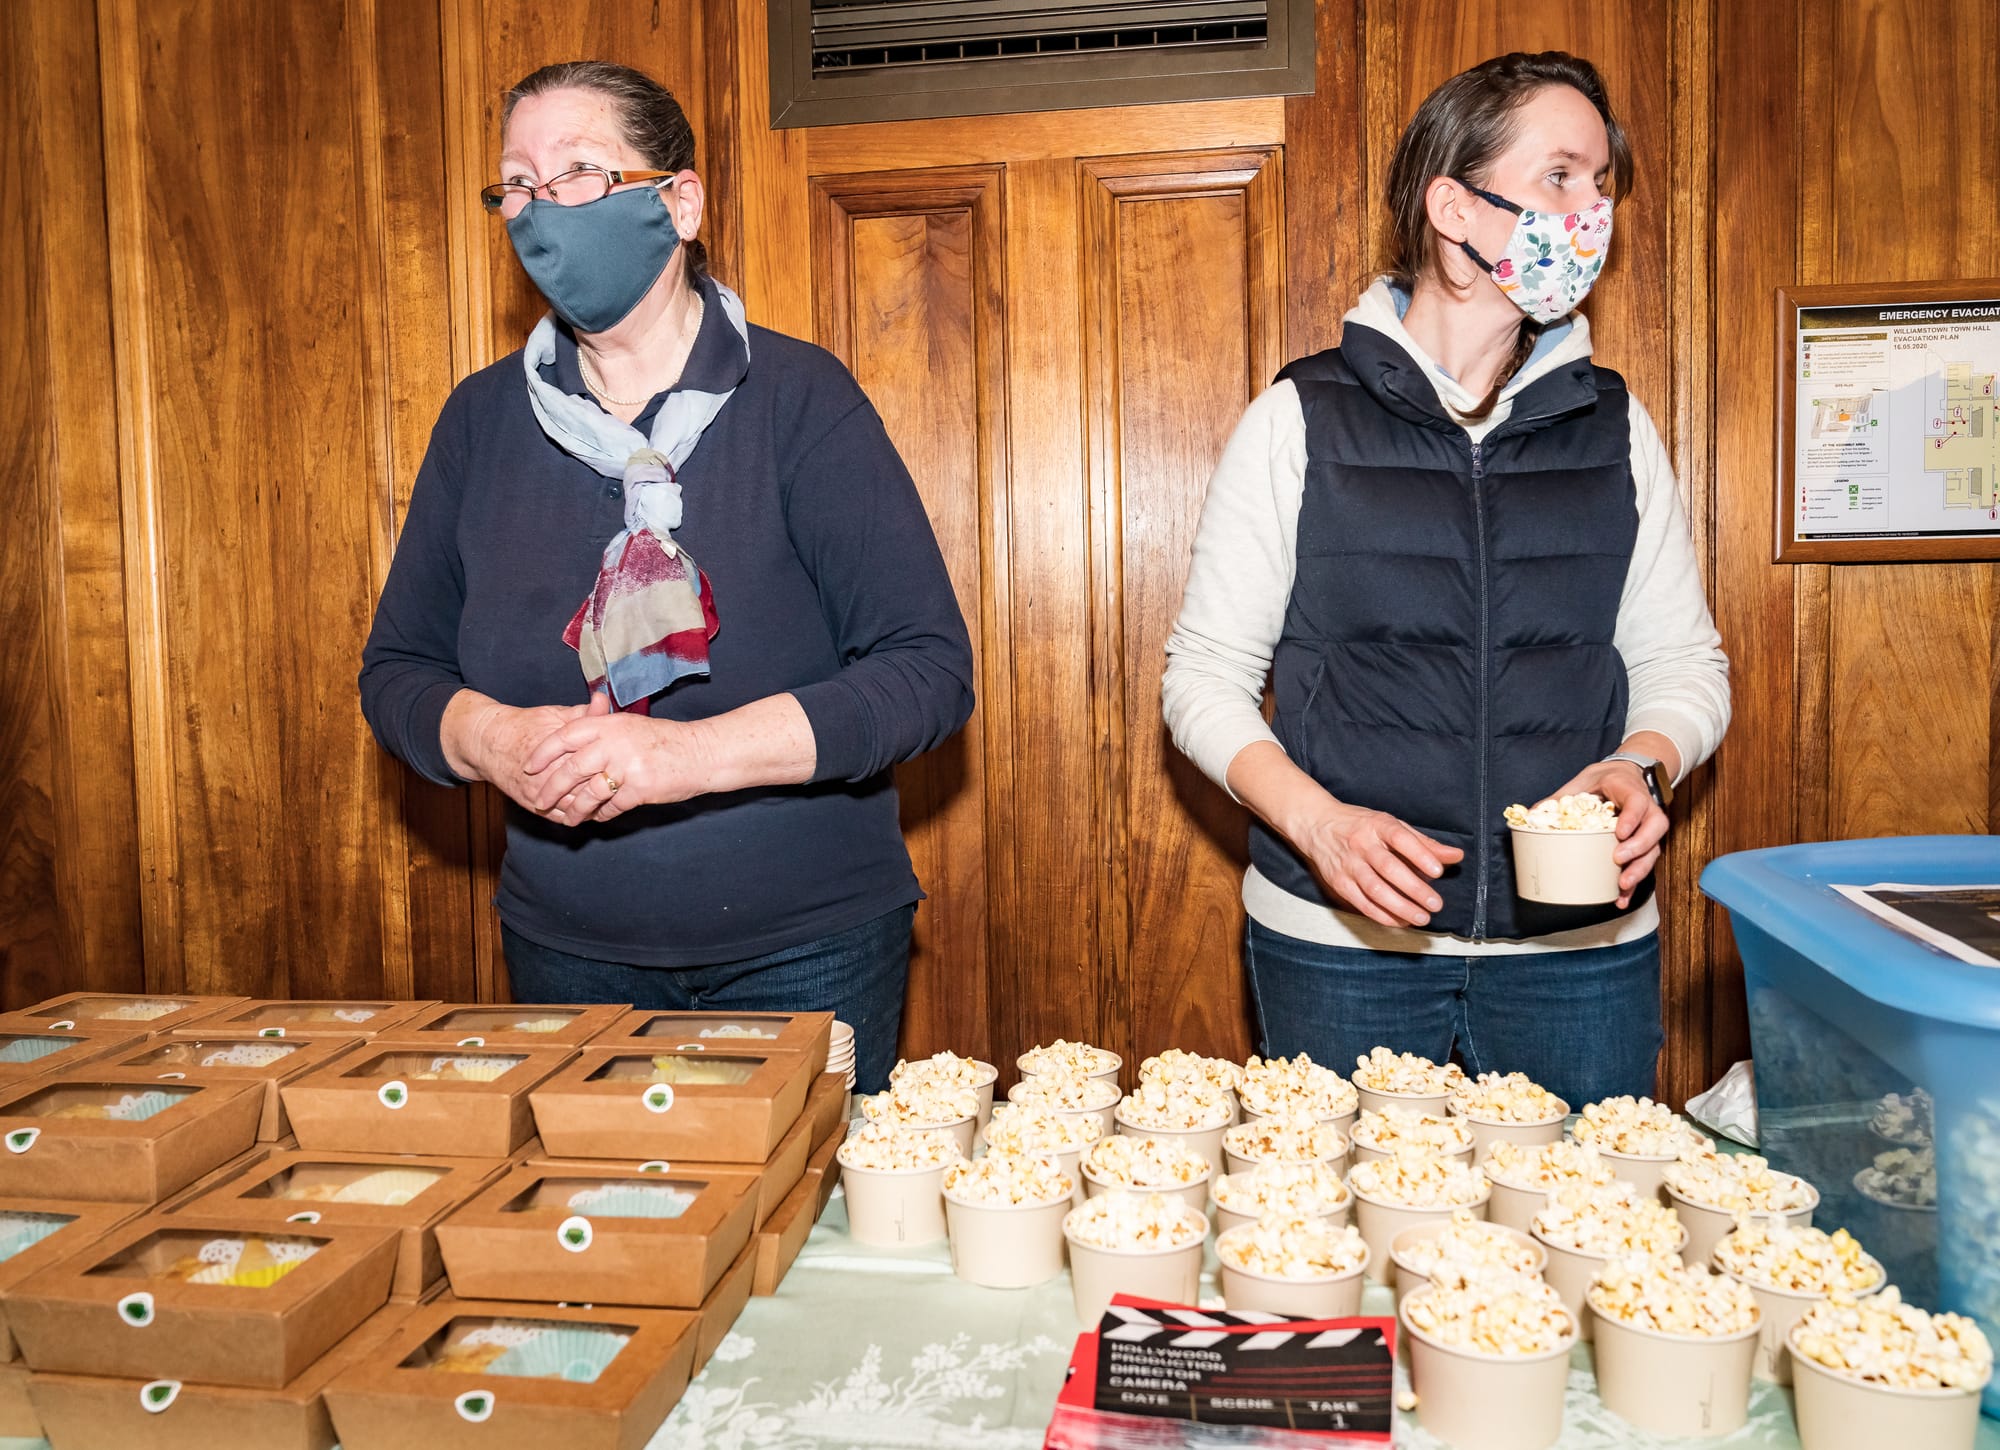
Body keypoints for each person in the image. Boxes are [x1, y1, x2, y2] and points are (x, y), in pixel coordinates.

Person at [359, 61, 973, 1093]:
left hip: (805, 948)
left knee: (799, 1251)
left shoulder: (799, 399)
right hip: (567, 954)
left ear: (677, 202)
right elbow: (399, 671)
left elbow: (925, 673)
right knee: (610, 1246)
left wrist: (684, 758)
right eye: (516, 184)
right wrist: (492, 738)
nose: (540, 208)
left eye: (578, 173)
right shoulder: (479, 422)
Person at [1162, 51, 1729, 1108]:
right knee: (1341, 1257)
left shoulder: (1615, 427)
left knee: (1584, 1259)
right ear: (1452, 206)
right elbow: (1200, 679)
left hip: (1581, 952)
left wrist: (1643, 764)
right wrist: (1319, 823)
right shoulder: (1298, 417)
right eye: (1559, 176)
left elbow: (1680, 662)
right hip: (1339, 947)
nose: (1589, 211)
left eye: (1600, 184)